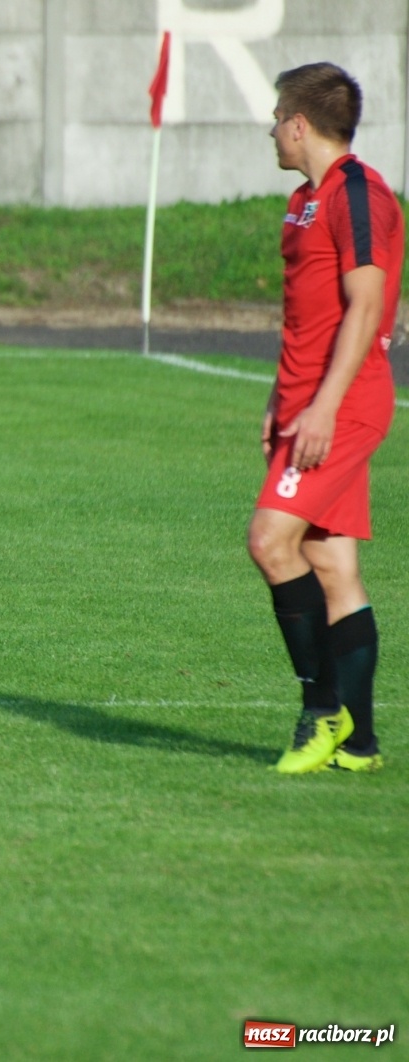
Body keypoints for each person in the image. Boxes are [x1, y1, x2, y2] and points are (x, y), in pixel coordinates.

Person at [248, 62, 402, 773]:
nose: (273, 129)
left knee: (271, 544)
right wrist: (282, 402)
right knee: (331, 564)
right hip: (307, 405)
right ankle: (362, 745)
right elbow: (313, 314)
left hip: (338, 409)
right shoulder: (305, 200)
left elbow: (368, 303)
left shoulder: (358, 193)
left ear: (300, 124)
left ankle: (323, 708)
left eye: (278, 117)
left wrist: (322, 408)